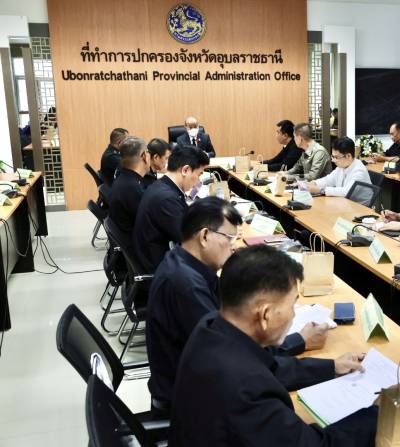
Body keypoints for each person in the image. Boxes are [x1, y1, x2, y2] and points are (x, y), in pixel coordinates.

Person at [170, 245, 378, 446]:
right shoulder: (249, 389)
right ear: (265, 314)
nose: (293, 314)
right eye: (292, 305)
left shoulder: (212, 325)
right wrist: (378, 413)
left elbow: (271, 367)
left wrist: (332, 367)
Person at [147, 198, 329, 417]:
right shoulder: (186, 286)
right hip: (190, 405)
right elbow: (238, 354)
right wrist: (301, 342)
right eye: (229, 238)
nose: (234, 245)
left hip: (194, 385)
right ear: (204, 236)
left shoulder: (184, 263)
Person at [133, 145, 209, 273]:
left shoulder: (162, 185)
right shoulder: (166, 198)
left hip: (154, 257)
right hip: (159, 268)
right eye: (199, 174)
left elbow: (185, 220)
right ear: (185, 170)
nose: (198, 181)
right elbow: (190, 240)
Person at [108, 136, 151, 246]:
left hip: (133, 240)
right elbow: (152, 223)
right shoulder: (132, 188)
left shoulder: (126, 179)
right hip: (142, 247)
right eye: (148, 152)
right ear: (144, 156)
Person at [304, 137, 372, 199]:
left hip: (360, 207)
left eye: (336, 157)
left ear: (348, 156)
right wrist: (312, 183)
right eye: (333, 156)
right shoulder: (342, 167)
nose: (333, 160)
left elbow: (346, 192)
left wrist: (320, 190)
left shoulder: (359, 171)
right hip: (345, 203)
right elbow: (328, 180)